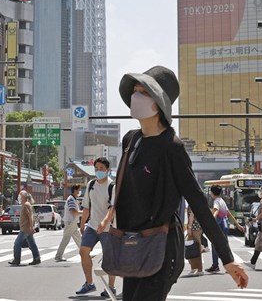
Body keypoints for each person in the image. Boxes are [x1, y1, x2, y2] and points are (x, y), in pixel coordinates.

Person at [97, 66, 248, 300]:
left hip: (161, 247)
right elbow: (122, 189)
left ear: (158, 104)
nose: (135, 96)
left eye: (143, 92)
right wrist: (109, 214)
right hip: (132, 246)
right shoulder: (130, 140)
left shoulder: (172, 147)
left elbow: (198, 202)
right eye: (134, 90)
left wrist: (227, 259)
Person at [75, 157, 118, 295]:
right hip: (93, 226)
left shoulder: (112, 186)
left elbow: (113, 208)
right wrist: (82, 224)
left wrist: (105, 222)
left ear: (107, 170)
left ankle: (111, 287)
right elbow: (86, 207)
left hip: (108, 227)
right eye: (96, 168)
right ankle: (89, 283)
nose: (98, 171)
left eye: (101, 169)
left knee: (110, 257)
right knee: (83, 251)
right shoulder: (91, 184)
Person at [205, 185, 240, 273]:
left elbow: (216, 210)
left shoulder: (216, 201)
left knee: (215, 245)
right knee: (225, 246)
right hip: (225, 225)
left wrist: (211, 220)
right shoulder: (222, 201)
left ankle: (216, 265)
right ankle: (227, 265)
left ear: (212, 193)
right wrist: (237, 224)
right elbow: (228, 214)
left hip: (218, 226)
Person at [10, 191, 42, 266]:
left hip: (25, 228)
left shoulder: (26, 204)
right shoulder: (24, 205)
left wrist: (31, 227)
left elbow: (30, 216)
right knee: (31, 243)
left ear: (24, 196)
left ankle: (17, 259)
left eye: (20, 195)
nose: (19, 196)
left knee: (17, 243)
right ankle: (37, 258)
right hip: (26, 228)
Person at [54, 184, 83, 263]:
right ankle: (58, 256)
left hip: (73, 223)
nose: (80, 191)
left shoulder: (73, 199)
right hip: (70, 222)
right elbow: (73, 211)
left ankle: (85, 254)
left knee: (79, 239)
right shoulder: (71, 199)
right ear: (75, 191)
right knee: (66, 239)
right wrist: (82, 213)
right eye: (79, 190)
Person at [183, 207, 205, 277]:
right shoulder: (198, 202)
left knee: (191, 248)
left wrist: (189, 227)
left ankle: (194, 268)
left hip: (194, 227)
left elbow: (192, 215)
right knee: (197, 249)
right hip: (198, 227)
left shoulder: (191, 203)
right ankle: (199, 269)